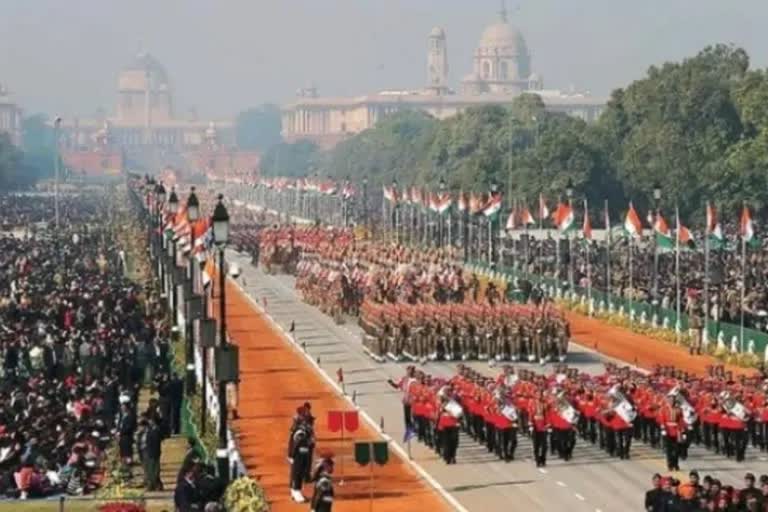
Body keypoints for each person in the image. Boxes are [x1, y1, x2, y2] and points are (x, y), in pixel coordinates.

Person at [288, 425, 312, 502]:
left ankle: (294, 491)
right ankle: (296, 492)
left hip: (303, 455)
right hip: (299, 456)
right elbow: (297, 444)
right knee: (298, 473)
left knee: (298, 473)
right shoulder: (301, 433)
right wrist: (292, 455)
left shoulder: (303, 431)